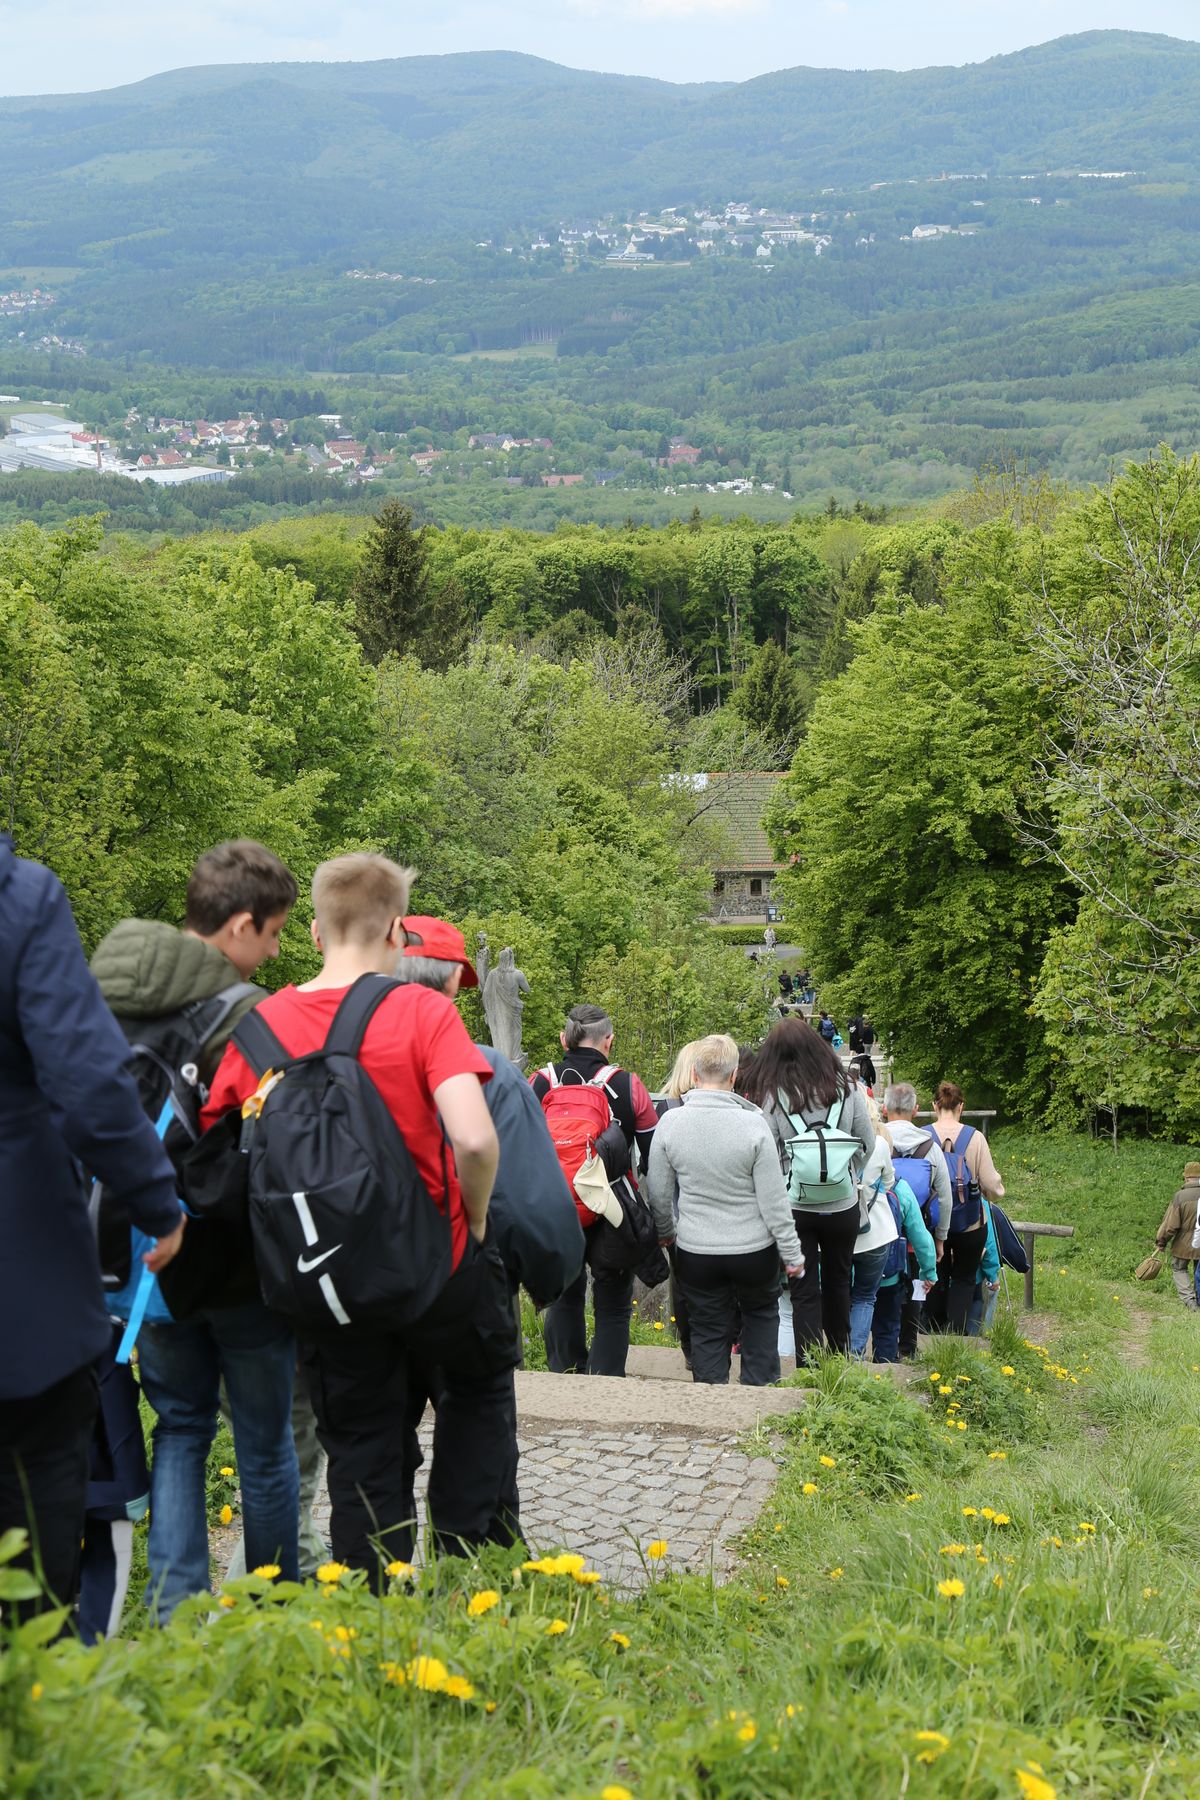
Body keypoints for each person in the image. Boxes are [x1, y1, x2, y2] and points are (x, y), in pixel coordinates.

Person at [202, 855, 507, 1582]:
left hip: (327, 1280)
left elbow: (215, 1162)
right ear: (399, 930)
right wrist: (476, 1219)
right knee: (476, 1400)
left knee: (362, 1449)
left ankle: (369, 1614)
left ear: (313, 930)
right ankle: (471, 1585)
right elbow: (473, 1136)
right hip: (437, 1266)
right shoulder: (423, 1011)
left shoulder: (260, 1026)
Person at [91, 839, 304, 1622]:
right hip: (238, 1261)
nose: (275, 950)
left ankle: (174, 1614)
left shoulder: (104, 993)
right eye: (275, 933)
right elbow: (283, 1146)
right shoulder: (247, 1016)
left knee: (179, 1425)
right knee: (263, 1443)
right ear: (241, 924)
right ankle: (266, 1615)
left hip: (142, 1257)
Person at [0, 834, 184, 1626]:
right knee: (32, 1552)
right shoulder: (21, 898)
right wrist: (159, 1206)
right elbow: (86, 1084)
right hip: (20, 1296)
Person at [389, 916, 584, 1551]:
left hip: (365, 1286)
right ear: (453, 983)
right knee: (477, 1443)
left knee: (373, 1459)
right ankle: (474, 1587)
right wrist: (550, 1279)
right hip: (465, 1281)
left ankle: (365, 1598)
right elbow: (530, 1199)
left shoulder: (344, 1055)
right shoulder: (489, 1071)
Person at [646, 1035, 804, 1385]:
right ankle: (758, 1404)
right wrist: (792, 1254)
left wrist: (667, 1232)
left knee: (706, 1327)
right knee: (761, 1316)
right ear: (734, 1075)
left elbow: (658, 1192)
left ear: (695, 1073)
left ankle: (711, 1402)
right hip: (754, 1249)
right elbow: (774, 1201)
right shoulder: (754, 1125)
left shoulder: (671, 1124)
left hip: (696, 1250)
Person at [532, 1005, 658, 1377]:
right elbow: (651, 1155)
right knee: (614, 1304)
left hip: (556, 1208)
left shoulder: (538, 1083)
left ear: (563, 1039)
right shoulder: (628, 1085)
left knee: (564, 1297)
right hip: (612, 1209)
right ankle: (606, 1384)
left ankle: (566, 1376)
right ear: (609, 1040)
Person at [743, 1017, 875, 1359]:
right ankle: (840, 1362)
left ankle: (809, 1366)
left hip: (796, 1208)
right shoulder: (847, 1088)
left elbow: (768, 1155)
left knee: (802, 1291)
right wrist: (847, 1172)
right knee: (839, 1283)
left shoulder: (772, 1098)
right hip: (843, 1205)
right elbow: (868, 1141)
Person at [924, 1081, 1005, 1336]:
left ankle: (931, 1331)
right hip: (969, 1223)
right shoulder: (975, 1138)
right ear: (961, 1106)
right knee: (965, 1277)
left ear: (935, 1105)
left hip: (933, 1222)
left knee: (934, 1272)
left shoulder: (923, 1136)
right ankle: (957, 1335)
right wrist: (993, 1192)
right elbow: (991, 1185)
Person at [880, 1082, 952, 1357]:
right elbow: (944, 1197)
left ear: (885, 1109)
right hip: (915, 1236)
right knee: (914, 1289)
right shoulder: (930, 1148)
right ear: (917, 1110)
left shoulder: (877, 1141)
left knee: (879, 1288)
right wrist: (940, 1239)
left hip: (882, 1234)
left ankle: (879, 1346)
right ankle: (907, 1347)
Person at [654, 1042, 704, 1370]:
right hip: (706, 1210)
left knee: (682, 1285)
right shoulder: (715, 1108)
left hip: (675, 1212)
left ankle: (689, 1348)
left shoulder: (663, 1108)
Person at [870, 1160, 938, 1364]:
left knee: (854, 1313)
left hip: (851, 1269)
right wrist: (929, 1272)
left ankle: (848, 1363)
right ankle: (885, 1364)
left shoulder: (847, 1180)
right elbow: (920, 1236)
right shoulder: (900, 1188)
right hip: (888, 1270)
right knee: (888, 1322)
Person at [848, 1129, 902, 1358]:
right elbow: (889, 1183)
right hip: (875, 1232)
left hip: (835, 1233)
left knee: (835, 1292)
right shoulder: (879, 1144)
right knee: (865, 1297)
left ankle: (830, 1351)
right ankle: (854, 1355)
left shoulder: (829, 1141)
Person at [1159, 1161, 1200, 1310]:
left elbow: (1170, 1225)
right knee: (1198, 1270)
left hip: (1183, 1244)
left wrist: (1161, 1241)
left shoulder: (1180, 1196)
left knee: (1179, 1268)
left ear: (1186, 1177)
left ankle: (1189, 1301)